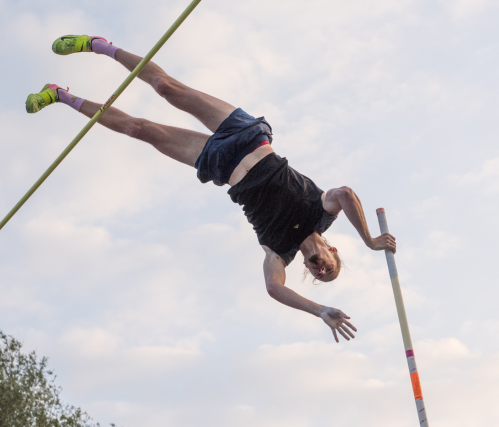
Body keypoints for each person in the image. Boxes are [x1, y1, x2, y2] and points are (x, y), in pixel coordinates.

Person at [25, 35, 397, 343]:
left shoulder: (278, 252)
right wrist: (368, 240)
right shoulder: (322, 211)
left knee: (139, 130)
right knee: (165, 87)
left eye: (319, 276)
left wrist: (319, 311)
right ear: (333, 251)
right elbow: (346, 194)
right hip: (246, 135)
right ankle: (98, 45)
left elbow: (273, 289)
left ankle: (60, 95)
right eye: (330, 269)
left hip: (219, 162)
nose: (321, 271)